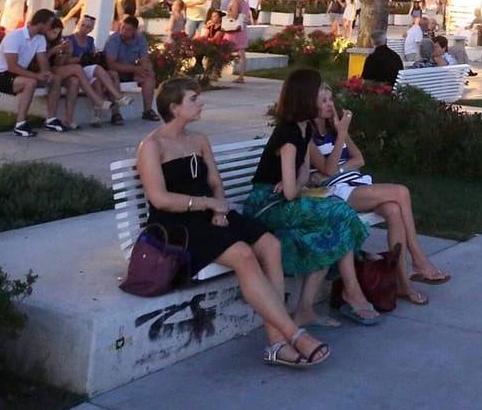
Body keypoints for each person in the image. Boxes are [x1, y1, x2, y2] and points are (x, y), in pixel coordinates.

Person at [137, 78, 329, 368]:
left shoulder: (199, 139)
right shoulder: (152, 146)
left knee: (270, 244)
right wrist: (208, 205)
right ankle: (290, 334)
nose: (201, 103)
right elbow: (159, 199)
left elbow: (215, 182)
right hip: (176, 225)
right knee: (243, 254)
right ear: (174, 108)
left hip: (211, 213)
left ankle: (276, 341)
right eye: (194, 99)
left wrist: (220, 209)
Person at [242, 69, 382, 327]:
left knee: (329, 229)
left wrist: (297, 180)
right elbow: (292, 191)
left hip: (285, 198)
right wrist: (295, 182)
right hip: (267, 204)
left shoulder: (303, 129)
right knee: (340, 214)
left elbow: (304, 174)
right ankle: (353, 289)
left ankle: (305, 309)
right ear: (305, 98)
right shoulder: (289, 134)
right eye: (318, 92)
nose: (326, 100)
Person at [310, 83, 451, 290]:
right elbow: (328, 171)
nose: (330, 104)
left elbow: (359, 160)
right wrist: (340, 138)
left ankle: (403, 284)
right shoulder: (309, 136)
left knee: (394, 210)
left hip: (354, 183)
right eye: (323, 101)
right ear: (310, 104)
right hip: (335, 192)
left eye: (331, 99)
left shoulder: (336, 128)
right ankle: (419, 259)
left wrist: (339, 164)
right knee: (401, 191)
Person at [0, 8, 58, 137]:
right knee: (31, 82)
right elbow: (12, 67)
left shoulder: (40, 39)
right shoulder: (14, 36)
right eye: (50, 24)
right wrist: (37, 75)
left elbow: (42, 61)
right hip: (4, 76)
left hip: (20, 75)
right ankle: (20, 124)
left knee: (56, 79)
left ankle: (51, 120)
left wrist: (46, 72)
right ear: (42, 24)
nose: (51, 27)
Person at [67, 14, 125, 126]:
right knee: (97, 70)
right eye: (83, 25)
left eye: (88, 27)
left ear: (92, 29)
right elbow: (65, 60)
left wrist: (93, 56)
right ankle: (118, 96)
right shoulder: (70, 40)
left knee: (98, 80)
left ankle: (97, 116)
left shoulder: (90, 40)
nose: (84, 28)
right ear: (79, 24)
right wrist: (79, 59)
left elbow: (92, 54)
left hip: (88, 70)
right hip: (77, 69)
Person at [101, 15, 160, 121]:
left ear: (135, 31)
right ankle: (116, 114)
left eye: (128, 30)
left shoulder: (140, 39)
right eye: (122, 28)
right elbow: (111, 64)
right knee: (113, 75)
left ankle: (147, 111)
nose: (124, 31)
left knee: (149, 76)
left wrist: (146, 68)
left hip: (130, 71)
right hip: (115, 71)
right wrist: (134, 69)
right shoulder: (113, 39)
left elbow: (144, 58)